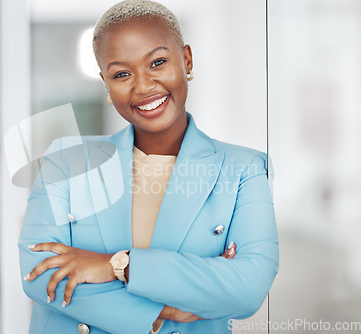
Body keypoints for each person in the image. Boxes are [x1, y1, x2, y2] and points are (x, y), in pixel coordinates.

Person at [18, 0, 279, 333]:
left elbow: (248, 287)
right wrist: (166, 309)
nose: (143, 86)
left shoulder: (243, 170)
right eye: (121, 74)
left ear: (186, 60)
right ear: (106, 85)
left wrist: (118, 266)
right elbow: (40, 275)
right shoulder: (65, 162)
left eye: (157, 62)